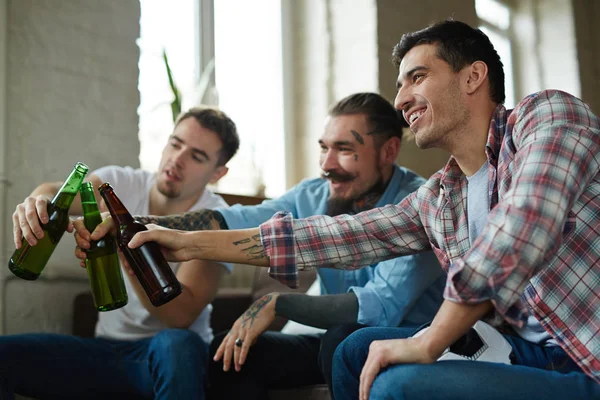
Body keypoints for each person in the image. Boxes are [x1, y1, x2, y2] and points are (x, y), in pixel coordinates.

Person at [125, 20, 600, 400]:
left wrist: (427, 341)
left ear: (473, 77)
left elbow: (522, 229)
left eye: (418, 77)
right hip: (523, 352)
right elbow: (329, 237)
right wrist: (184, 243)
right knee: (354, 348)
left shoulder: (547, 118)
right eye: (399, 84)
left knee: (398, 382)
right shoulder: (442, 196)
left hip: (587, 359)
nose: (400, 99)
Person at [78, 92, 445, 398]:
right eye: (324, 148)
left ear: (388, 151)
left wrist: (279, 303)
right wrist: (149, 226)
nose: (327, 164)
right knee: (232, 352)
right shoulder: (315, 194)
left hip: (410, 337)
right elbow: (236, 219)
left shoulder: (420, 205)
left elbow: (379, 307)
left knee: (345, 340)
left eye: (345, 150)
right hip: (333, 337)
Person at [1, 107, 239, 400]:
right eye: (176, 144)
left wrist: (127, 249)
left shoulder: (215, 218)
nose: (177, 159)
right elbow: (55, 191)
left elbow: (179, 316)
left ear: (218, 173)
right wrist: (37, 201)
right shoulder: (123, 183)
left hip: (169, 356)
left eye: (197, 156)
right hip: (106, 351)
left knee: (176, 343)